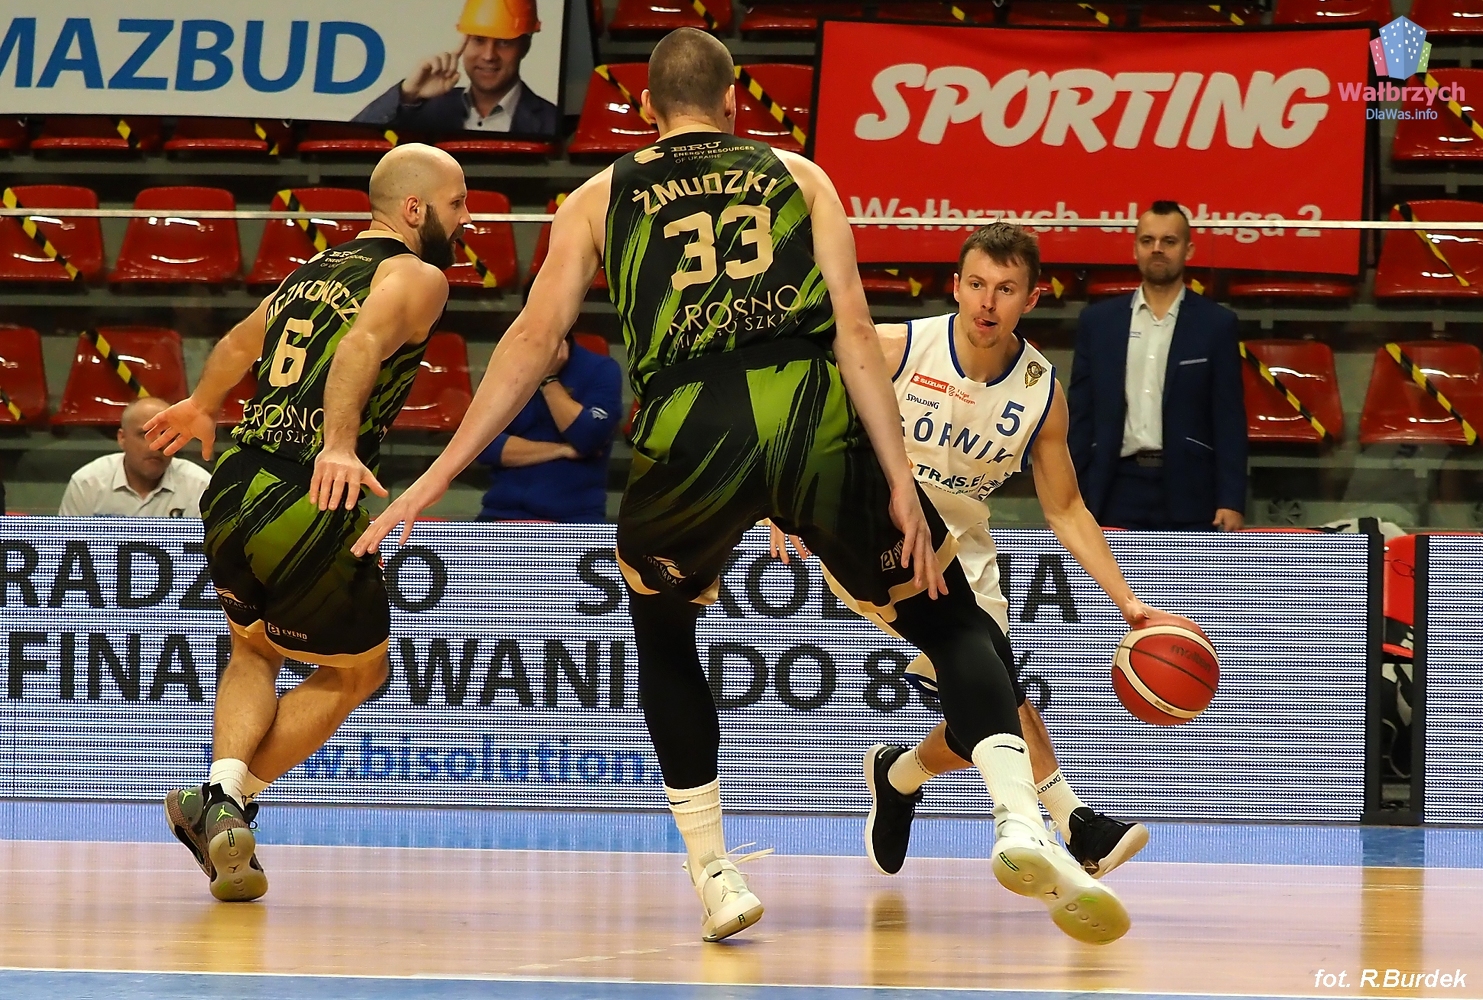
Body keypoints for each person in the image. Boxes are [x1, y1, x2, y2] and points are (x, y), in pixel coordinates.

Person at [352, 28, 1127, 946]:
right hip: (809, 416)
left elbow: (531, 342)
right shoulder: (799, 175)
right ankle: (1018, 821)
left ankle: (715, 874)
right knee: (950, 616)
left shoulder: (597, 196)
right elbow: (851, 331)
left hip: (689, 427)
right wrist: (897, 480)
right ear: (732, 103)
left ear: (645, 109)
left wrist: (433, 476)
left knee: (664, 631)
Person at [771, 223, 1162, 881]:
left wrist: (1128, 602)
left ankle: (899, 775)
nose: (987, 301)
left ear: (1031, 299)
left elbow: (1066, 509)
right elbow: (794, 397)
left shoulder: (1040, 391)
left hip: (965, 546)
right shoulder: (897, 348)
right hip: (878, 526)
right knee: (993, 678)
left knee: (983, 706)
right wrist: (777, 496)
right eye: (976, 284)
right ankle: (1072, 822)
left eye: (1005, 289)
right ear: (955, 286)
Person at [143, 144, 470, 902]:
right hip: (306, 491)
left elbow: (238, 342)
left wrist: (200, 404)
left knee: (253, 647)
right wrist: (339, 444)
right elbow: (360, 344)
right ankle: (224, 802)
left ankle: (221, 792)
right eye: (456, 203)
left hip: (233, 480)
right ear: (414, 209)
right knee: (359, 672)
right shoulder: (418, 275)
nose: (466, 218)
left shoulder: (313, 269)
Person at [1069, 201, 1247, 531]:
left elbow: (1229, 419)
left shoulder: (1217, 324)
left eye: (1169, 241)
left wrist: (1232, 500)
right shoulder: (1098, 323)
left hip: (1193, 490)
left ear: (1188, 250)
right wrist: (1071, 498)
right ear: (1135, 249)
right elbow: (1081, 417)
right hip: (1114, 487)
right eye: (1147, 240)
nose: (1157, 249)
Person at [353, 0, 559, 136]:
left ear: (525, 46)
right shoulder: (424, 110)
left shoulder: (553, 122)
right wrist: (408, 94)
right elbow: (350, 145)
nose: (489, 56)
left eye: (504, 42)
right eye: (478, 40)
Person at [476, 332, 622, 522]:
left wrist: (548, 379)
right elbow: (483, 446)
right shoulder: (504, 369)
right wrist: (561, 450)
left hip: (575, 519)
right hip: (501, 513)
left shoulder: (601, 370)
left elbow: (588, 437)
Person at [58, 397, 211, 517]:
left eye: (166, 434)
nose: (158, 444)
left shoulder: (200, 486)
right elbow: (67, 545)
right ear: (122, 438)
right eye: (145, 434)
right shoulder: (88, 484)